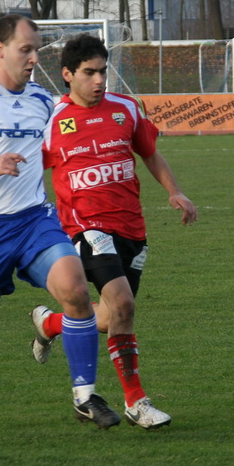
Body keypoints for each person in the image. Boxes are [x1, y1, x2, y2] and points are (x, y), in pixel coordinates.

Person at [0, 15, 121, 430]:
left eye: (36, 50)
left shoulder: (42, 101)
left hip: (34, 220)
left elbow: (68, 137)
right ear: (0, 49)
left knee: (76, 289)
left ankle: (85, 396)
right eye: (25, 49)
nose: (33, 58)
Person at [30, 34, 198, 429]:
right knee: (124, 305)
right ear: (68, 75)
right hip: (86, 226)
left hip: (131, 226)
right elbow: (27, 173)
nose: (99, 80)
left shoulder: (125, 108)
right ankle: (136, 401)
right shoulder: (50, 120)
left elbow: (149, 153)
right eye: (89, 73)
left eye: (103, 71)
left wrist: (175, 191)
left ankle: (50, 324)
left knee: (108, 316)